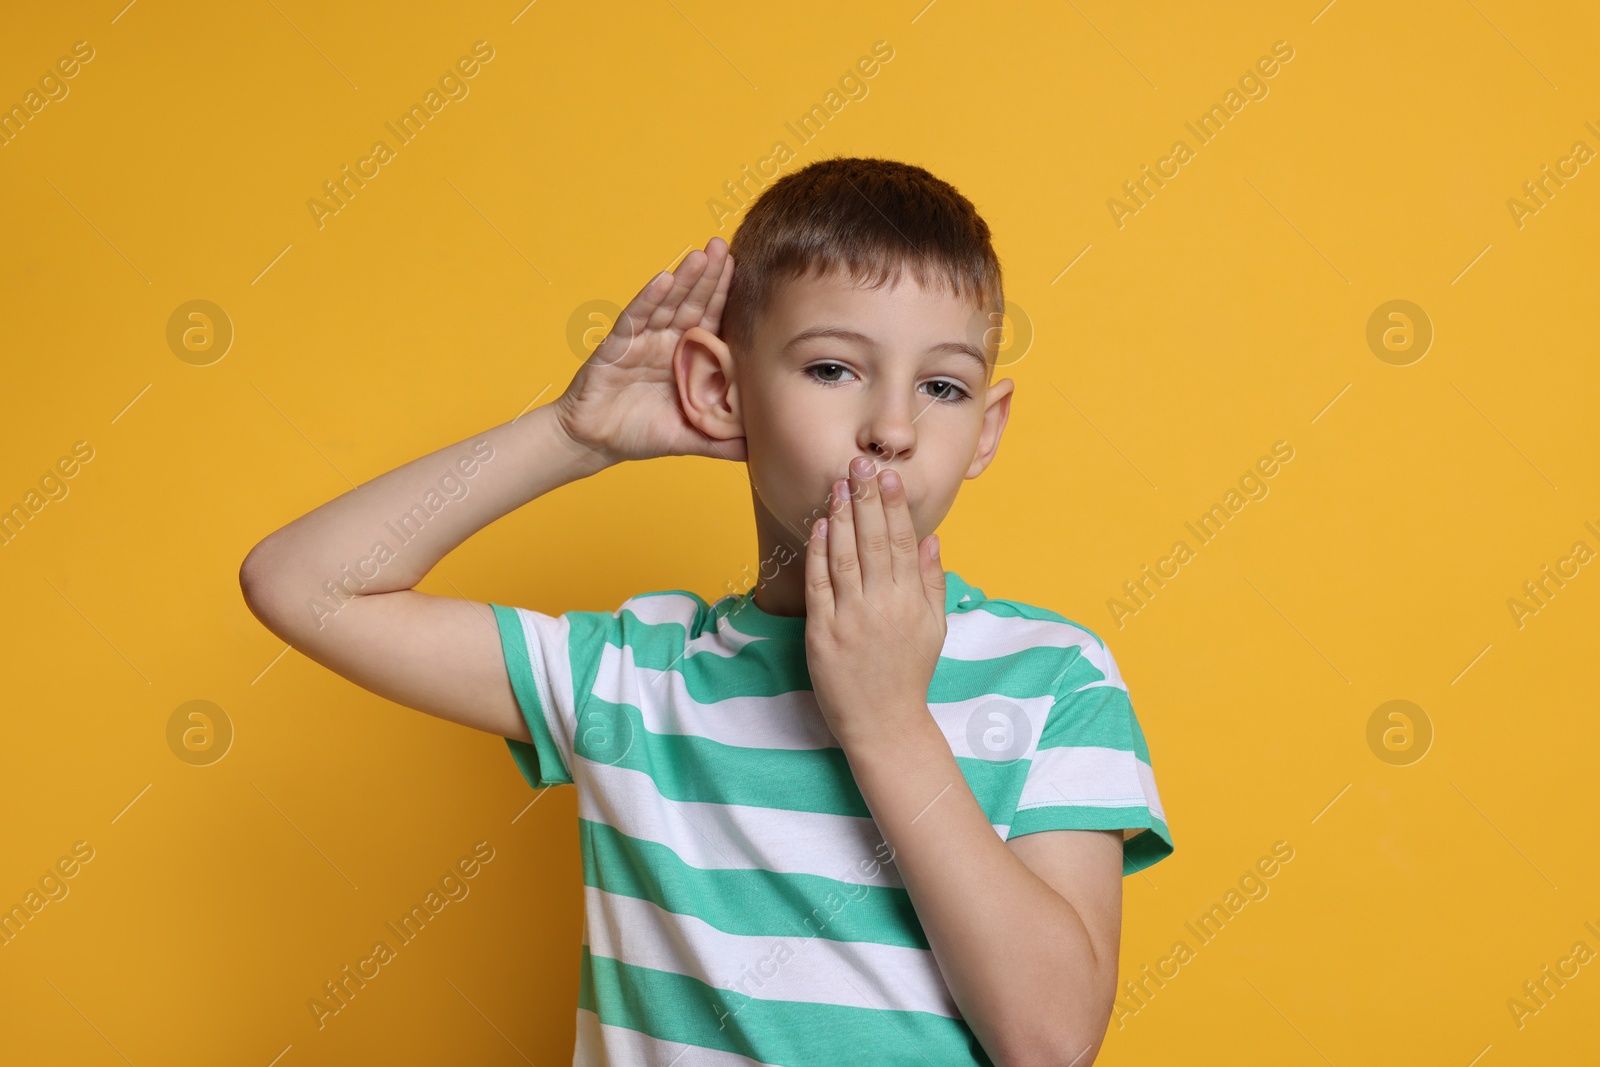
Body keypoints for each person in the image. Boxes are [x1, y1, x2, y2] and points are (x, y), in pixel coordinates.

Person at [240, 155, 1173, 1065]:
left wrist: (888, 723)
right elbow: (301, 583)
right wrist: (571, 434)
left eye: (942, 385)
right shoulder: (635, 679)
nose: (893, 426)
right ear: (722, 388)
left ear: (987, 428)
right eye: (834, 369)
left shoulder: (1056, 677)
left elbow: (1051, 1042)